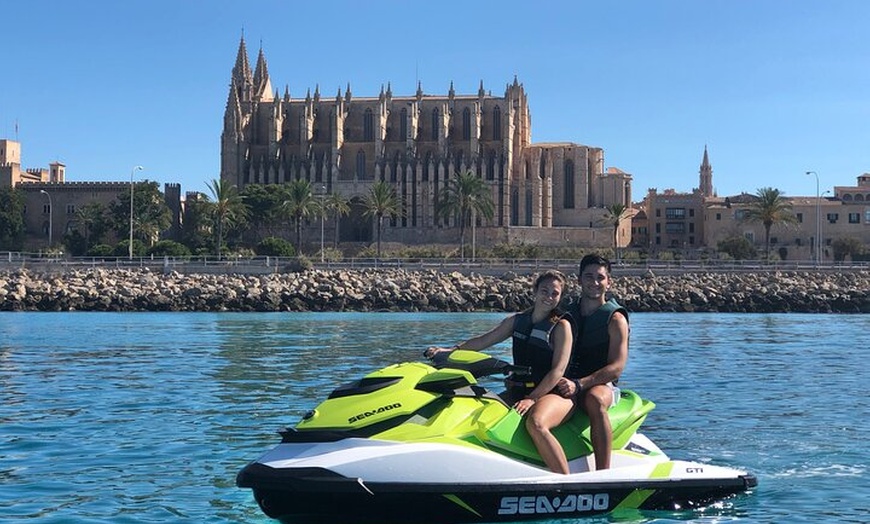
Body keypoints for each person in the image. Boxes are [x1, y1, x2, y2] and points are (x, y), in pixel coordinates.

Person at [425, 270, 573, 473]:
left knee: (536, 423)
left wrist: (532, 398)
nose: (548, 296)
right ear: (535, 291)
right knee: (477, 414)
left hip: (552, 393)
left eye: (554, 293)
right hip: (519, 390)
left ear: (560, 297)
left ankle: (565, 480)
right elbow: (484, 340)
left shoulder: (561, 326)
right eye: (544, 291)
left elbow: (558, 370)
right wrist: (451, 351)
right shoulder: (517, 321)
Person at [554, 253, 630, 471]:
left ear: (609, 282)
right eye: (589, 277)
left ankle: (603, 472)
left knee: (594, 400)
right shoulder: (565, 313)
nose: (594, 283)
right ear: (579, 280)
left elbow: (616, 368)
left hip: (601, 385)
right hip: (567, 382)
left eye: (600, 277)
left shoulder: (615, 319)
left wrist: (579, 384)